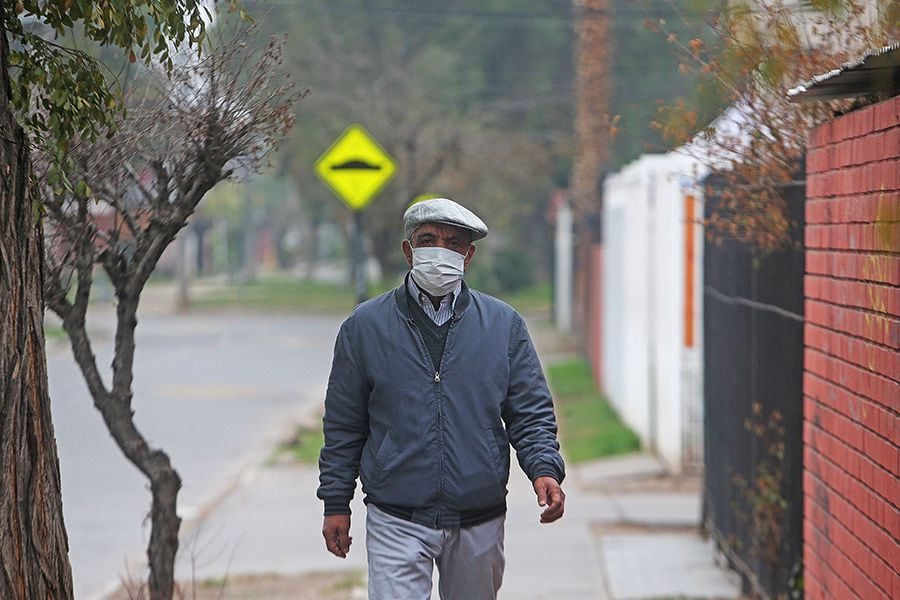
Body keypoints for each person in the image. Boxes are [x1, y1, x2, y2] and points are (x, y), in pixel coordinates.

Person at [317, 197, 566, 599]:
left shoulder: (503, 326)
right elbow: (344, 423)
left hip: (479, 517)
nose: (440, 251)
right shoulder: (365, 327)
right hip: (395, 515)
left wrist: (544, 469)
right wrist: (335, 501)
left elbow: (530, 412)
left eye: (453, 243)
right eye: (428, 240)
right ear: (407, 250)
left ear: (468, 255)